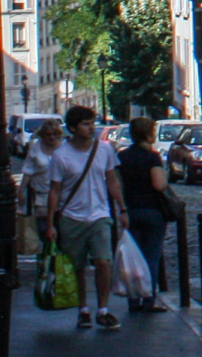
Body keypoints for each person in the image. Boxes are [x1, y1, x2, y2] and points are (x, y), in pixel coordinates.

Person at [44, 105, 125, 330]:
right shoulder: (61, 156)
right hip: (71, 217)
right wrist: (51, 223)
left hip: (99, 215)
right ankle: (83, 309)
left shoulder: (104, 149)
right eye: (86, 124)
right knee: (77, 267)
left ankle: (103, 309)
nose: (92, 128)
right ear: (72, 128)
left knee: (103, 262)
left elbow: (112, 180)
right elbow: (55, 190)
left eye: (92, 123)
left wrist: (122, 208)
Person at [116, 116, 173, 312]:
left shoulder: (122, 156)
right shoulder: (152, 157)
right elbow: (159, 184)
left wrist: (122, 208)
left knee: (132, 257)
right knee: (151, 257)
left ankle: (133, 299)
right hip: (152, 210)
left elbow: (117, 185)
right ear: (148, 133)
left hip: (130, 210)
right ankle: (149, 299)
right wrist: (165, 176)